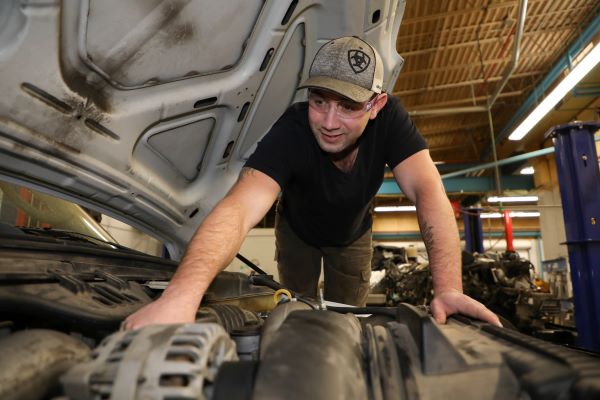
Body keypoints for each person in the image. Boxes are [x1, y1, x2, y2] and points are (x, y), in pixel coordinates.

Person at [124, 36, 501, 329]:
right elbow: (239, 208)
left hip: (353, 237)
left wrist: (449, 288)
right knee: (296, 312)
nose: (329, 121)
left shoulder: (392, 123)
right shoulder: (292, 129)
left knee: (348, 320)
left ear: (376, 106)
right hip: (297, 235)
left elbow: (428, 191)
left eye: (349, 107)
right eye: (319, 101)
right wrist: (181, 297)